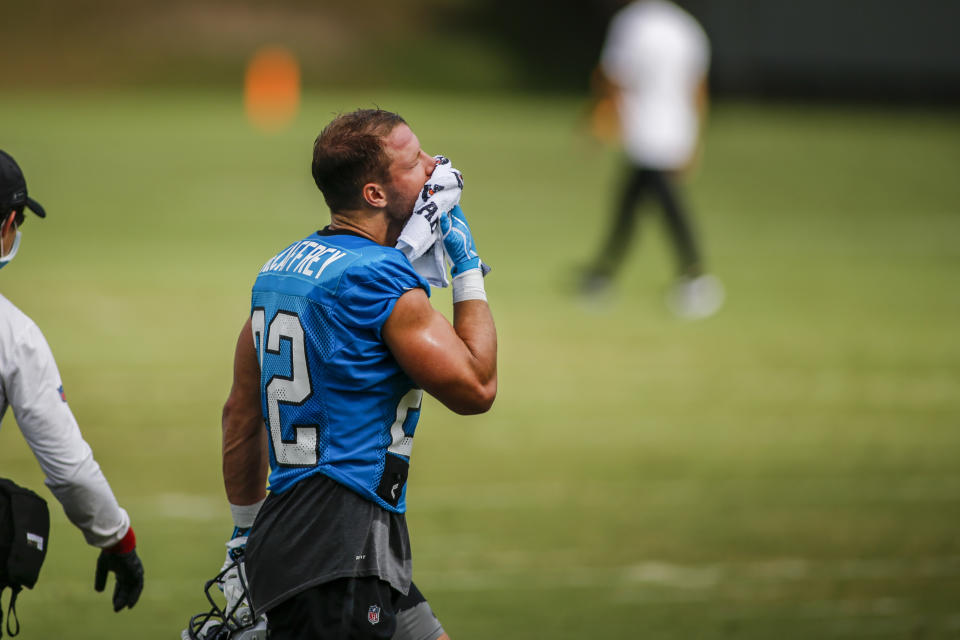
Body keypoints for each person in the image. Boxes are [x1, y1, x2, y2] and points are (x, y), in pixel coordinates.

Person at [220, 109, 497, 639]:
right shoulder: (378, 275)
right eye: (415, 161)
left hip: (301, 529)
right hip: (342, 540)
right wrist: (465, 267)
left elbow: (240, 413)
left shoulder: (280, 268)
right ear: (375, 194)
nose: (435, 166)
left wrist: (244, 532)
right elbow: (476, 387)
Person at [0, 149, 144, 611]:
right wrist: (118, 540)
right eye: (17, 221)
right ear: (6, 225)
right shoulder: (13, 334)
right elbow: (68, 470)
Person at [581, 0, 724, 318]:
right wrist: (696, 137)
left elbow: (613, 75)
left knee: (667, 205)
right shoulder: (686, 27)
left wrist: (600, 115)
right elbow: (698, 86)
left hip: (643, 128)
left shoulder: (631, 22)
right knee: (630, 201)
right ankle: (601, 274)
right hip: (678, 129)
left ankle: (697, 276)